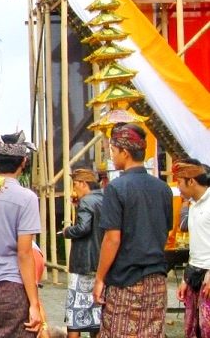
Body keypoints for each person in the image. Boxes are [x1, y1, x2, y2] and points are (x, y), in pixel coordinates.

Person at [93, 123, 172, 336]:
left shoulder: (116, 188)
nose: (112, 156)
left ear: (125, 153)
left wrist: (100, 278)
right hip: (157, 282)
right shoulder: (163, 189)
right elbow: (165, 230)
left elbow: (112, 239)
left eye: (113, 151)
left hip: (126, 281)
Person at [0, 131, 42, 337]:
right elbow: (24, 254)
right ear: (23, 162)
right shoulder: (26, 198)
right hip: (14, 286)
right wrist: (34, 304)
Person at [61, 168, 104, 338]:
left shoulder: (87, 201)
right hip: (101, 263)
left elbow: (83, 228)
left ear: (83, 184)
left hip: (83, 263)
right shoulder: (104, 199)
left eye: (75, 184)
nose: (74, 189)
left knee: (75, 314)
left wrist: (67, 231)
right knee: (97, 314)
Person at [174, 159, 210, 337]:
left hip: (208, 274)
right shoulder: (193, 205)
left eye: (179, 182)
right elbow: (197, 246)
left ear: (191, 181)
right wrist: (185, 278)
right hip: (195, 272)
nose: (178, 187)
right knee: (192, 329)